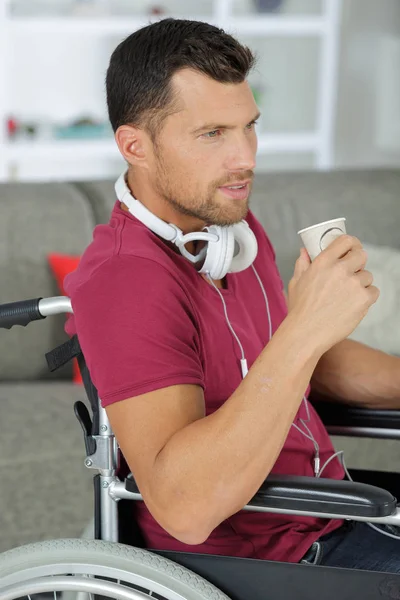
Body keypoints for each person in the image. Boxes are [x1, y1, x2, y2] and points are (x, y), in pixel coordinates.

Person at [65, 18, 400, 573]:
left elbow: (313, 364)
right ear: (135, 146)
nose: (245, 157)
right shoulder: (125, 281)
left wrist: (311, 336)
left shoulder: (230, 232)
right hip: (275, 560)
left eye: (249, 126)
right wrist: (307, 328)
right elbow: (185, 509)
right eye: (212, 134)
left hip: (336, 515)